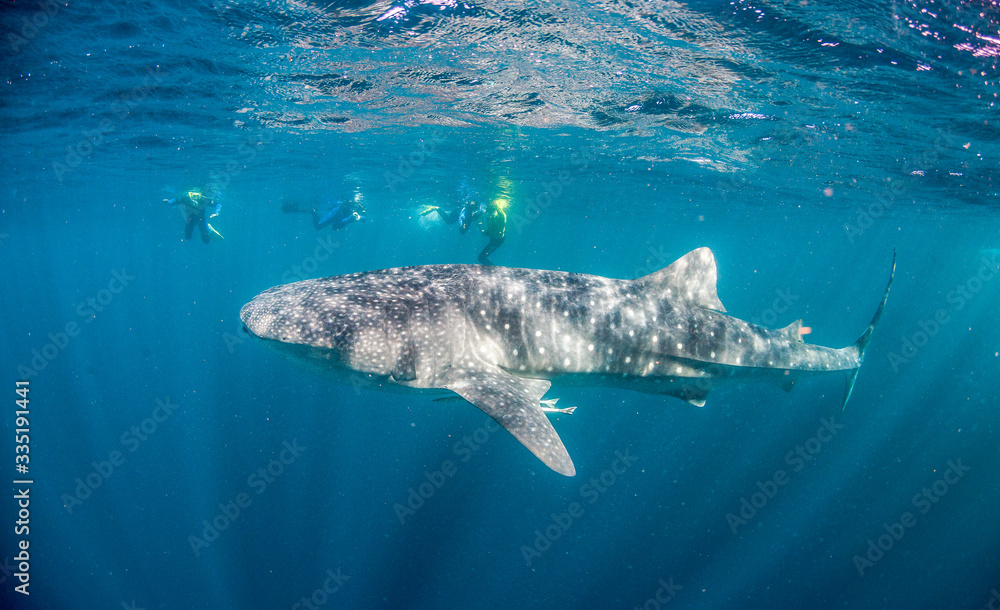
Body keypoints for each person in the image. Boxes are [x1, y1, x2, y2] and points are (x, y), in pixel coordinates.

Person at [285, 199, 366, 231]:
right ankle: (312, 211)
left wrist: (359, 217)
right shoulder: (342, 209)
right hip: (335, 215)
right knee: (318, 226)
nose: (354, 209)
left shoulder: (359, 207)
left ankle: (311, 210)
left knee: (335, 227)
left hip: (340, 218)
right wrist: (350, 218)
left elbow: (364, 218)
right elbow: (339, 221)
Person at [477, 199, 507, 265]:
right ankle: (492, 269)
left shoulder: (501, 217)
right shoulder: (490, 216)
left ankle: (494, 271)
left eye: (490, 207)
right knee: (481, 258)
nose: (487, 209)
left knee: (481, 258)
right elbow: (485, 233)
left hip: (497, 240)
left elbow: (500, 211)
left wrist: (495, 202)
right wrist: (480, 227)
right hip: (494, 238)